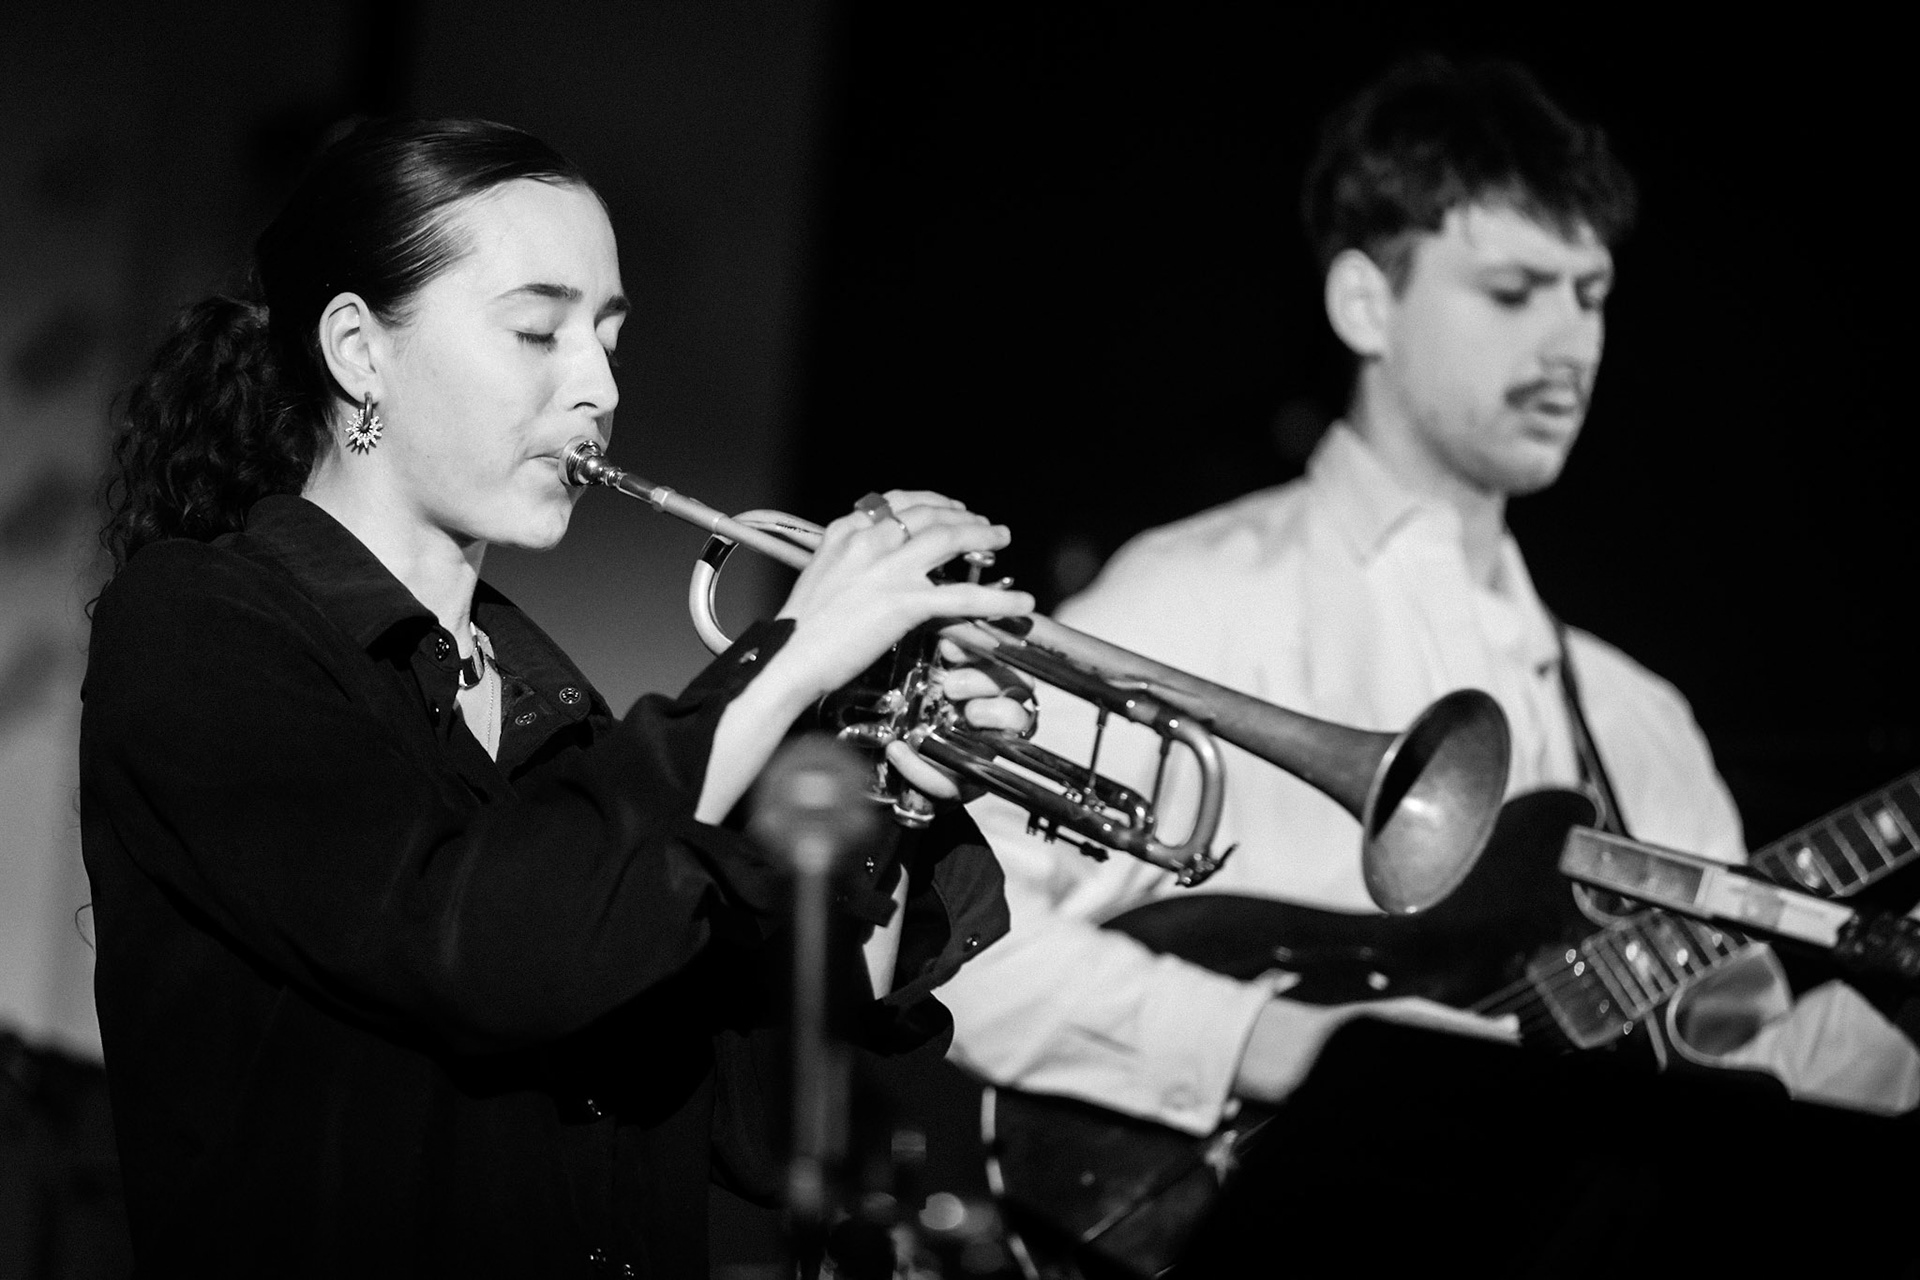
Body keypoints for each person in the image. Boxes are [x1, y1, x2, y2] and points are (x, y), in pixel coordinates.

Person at [79, 116, 1035, 1276]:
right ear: (359, 350)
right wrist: (793, 654)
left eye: (609, 337)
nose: (599, 385)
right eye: (539, 330)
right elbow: (475, 945)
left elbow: (772, 1124)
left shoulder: (564, 724)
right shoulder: (195, 623)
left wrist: (879, 781)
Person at [937, 54, 1919, 1151]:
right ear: (1366, 303)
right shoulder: (1194, 597)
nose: (1572, 346)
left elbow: (1724, 1093)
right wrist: (1277, 1044)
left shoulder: (1640, 721)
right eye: (1513, 292)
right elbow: (957, 948)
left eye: (1591, 295)